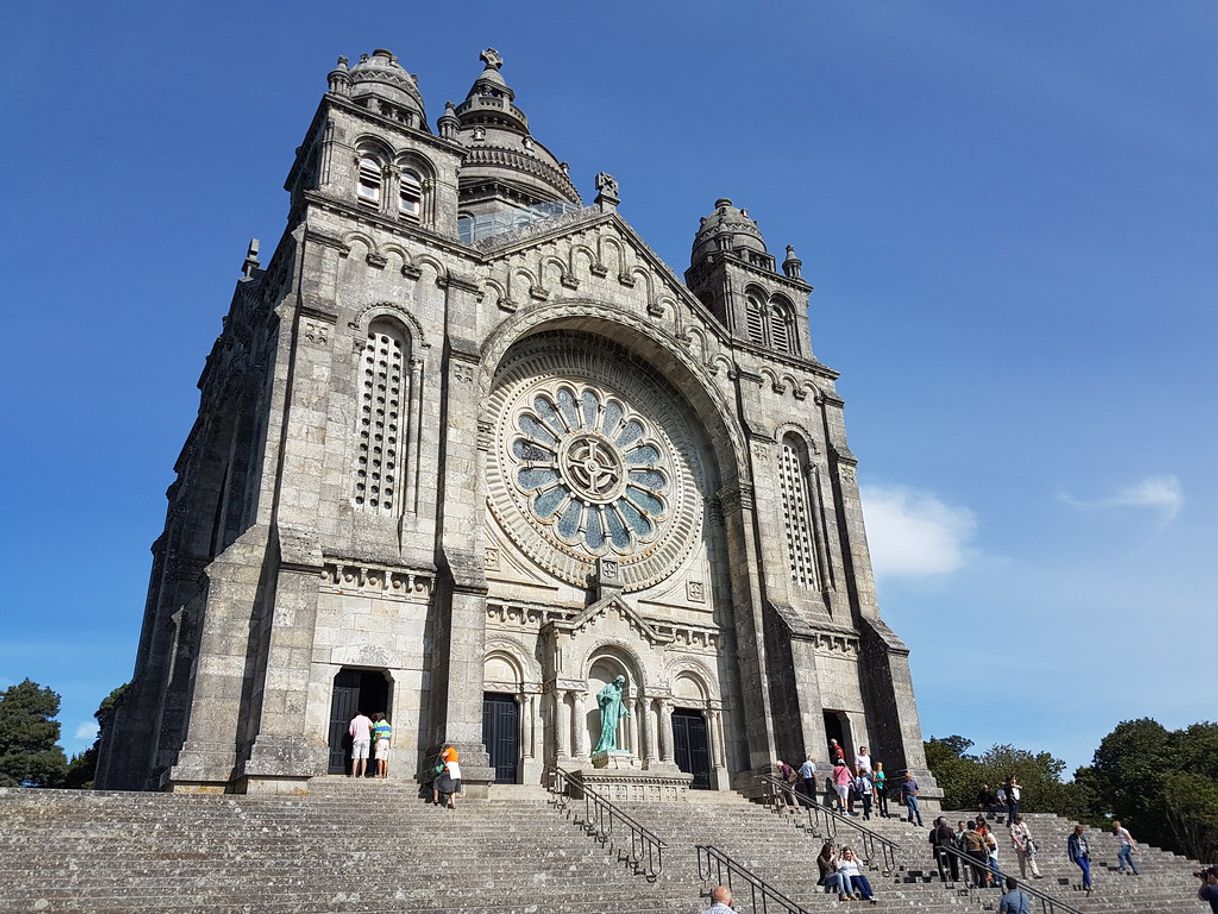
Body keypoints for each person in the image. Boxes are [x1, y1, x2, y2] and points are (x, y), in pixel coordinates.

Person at [1009, 814, 1041, 879]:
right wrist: (1020, 845)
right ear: (1015, 819)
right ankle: (1024, 875)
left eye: (1020, 819)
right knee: (1022, 861)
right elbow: (1013, 836)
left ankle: (1036, 873)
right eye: (1018, 819)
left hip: (1026, 843)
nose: (1019, 820)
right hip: (1019, 845)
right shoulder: (1012, 826)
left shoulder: (1023, 824)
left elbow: (1028, 833)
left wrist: (1031, 841)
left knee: (1031, 858)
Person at [961, 820, 991, 887]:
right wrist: (985, 852)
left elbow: (963, 842)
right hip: (979, 852)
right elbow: (982, 844)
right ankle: (984, 884)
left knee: (973, 869)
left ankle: (975, 883)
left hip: (971, 852)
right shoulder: (978, 834)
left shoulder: (966, 834)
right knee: (981, 869)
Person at [930, 816, 960, 881]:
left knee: (941, 864)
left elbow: (931, 840)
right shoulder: (949, 830)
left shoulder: (933, 831)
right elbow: (954, 837)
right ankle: (954, 877)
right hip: (949, 849)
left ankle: (944, 877)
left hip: (938, 850)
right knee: (952, 864)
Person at [1067, 825, 1092, 895]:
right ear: (1076, 831)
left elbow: (1086, 844)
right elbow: (1070, 848)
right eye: (1079, 832)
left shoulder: (1083, 836)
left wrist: (1088, 851)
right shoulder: (1071, 837)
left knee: (1086, 870)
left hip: (1085, 855)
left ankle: (1085, 885)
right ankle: (1089, 884)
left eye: (1081, 832)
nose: (1080, 833)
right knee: (1085, 870)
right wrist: (1071, 857)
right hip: (1078, 856)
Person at [348, 709, 373, 778]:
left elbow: (351, 733)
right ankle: (362, 775)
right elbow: (372, 726)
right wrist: (368, 732)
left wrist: (355, 734)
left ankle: (353, 775)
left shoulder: (353, 721)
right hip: (366, 739)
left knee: (356, 758)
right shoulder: (366, 718)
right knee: (364, 758)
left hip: (357, 739)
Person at [979, 818, 1002, 886]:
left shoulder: (989, 835)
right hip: (993, 854)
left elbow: (992, 843)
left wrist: (985, 844)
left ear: (988, 829)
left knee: (994, 867)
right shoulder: (989, 835)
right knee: (995, 867)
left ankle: (997, 880)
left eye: (985, 829)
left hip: (992, 854)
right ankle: (998, 881)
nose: (984, 830)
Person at [371, 712, 393, 779]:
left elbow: (379, 735)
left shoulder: (379, 725)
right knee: (385, 759)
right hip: (387, 741)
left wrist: (376, 743)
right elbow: (390, 736)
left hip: (381, 741)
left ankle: (380, 773)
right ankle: (385, 774)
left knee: (379, 758)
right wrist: (389, 744)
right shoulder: (389, 725)